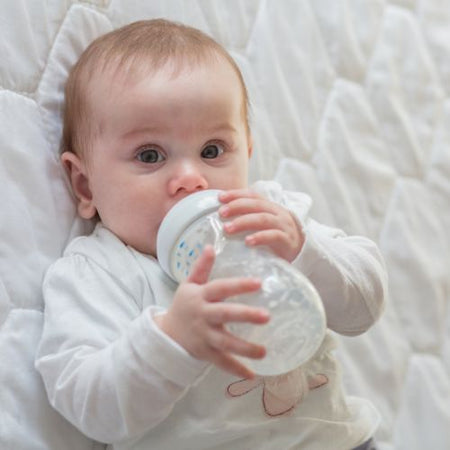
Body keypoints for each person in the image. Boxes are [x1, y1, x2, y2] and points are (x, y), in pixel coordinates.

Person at [35, 19, 386, 450]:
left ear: (248, 152)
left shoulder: (271, 219)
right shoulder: (98, 272)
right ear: (85, 186)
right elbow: (92, 410)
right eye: (150, 155)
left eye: (212, 151)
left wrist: (303, 250)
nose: (191, 178)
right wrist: (171, 341)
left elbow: (366, 308)